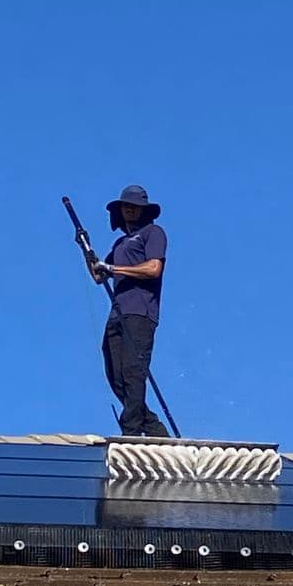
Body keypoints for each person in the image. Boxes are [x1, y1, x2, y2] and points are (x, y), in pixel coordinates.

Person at [92, 184, 170, 438]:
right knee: (116, 376)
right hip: (117, 313)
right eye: (126, 207)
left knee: (132, 374)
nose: (129, 211)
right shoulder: (121, 243)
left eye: (134, 207)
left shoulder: (153, 233)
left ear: (143, 210)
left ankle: (132, 432)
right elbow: (98, 275)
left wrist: (114, 269)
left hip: (139, 313)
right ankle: (156, 431)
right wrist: (88, 253)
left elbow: (153, 268)